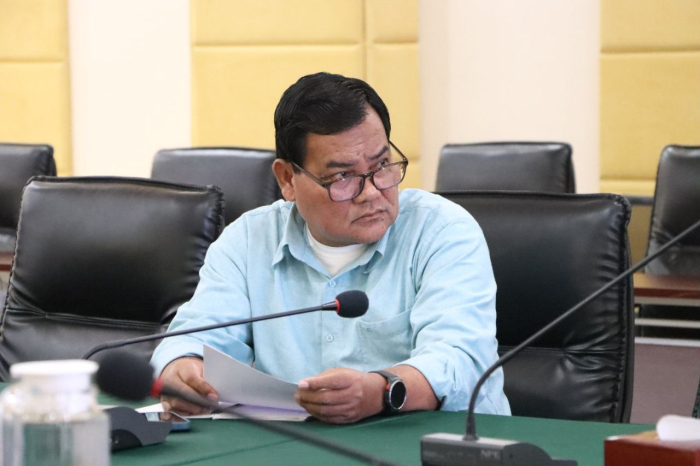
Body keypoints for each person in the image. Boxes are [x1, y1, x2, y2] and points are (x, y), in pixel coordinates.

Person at [151, 72, 510, 423]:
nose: (372, 192)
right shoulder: (248, 241)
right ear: (287, 180)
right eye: (343, 176)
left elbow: (459, 361)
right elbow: (193, 336)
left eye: (382, 164)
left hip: (439, 444)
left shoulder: (441, 231)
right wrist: (183, 368)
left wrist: (379, 391)